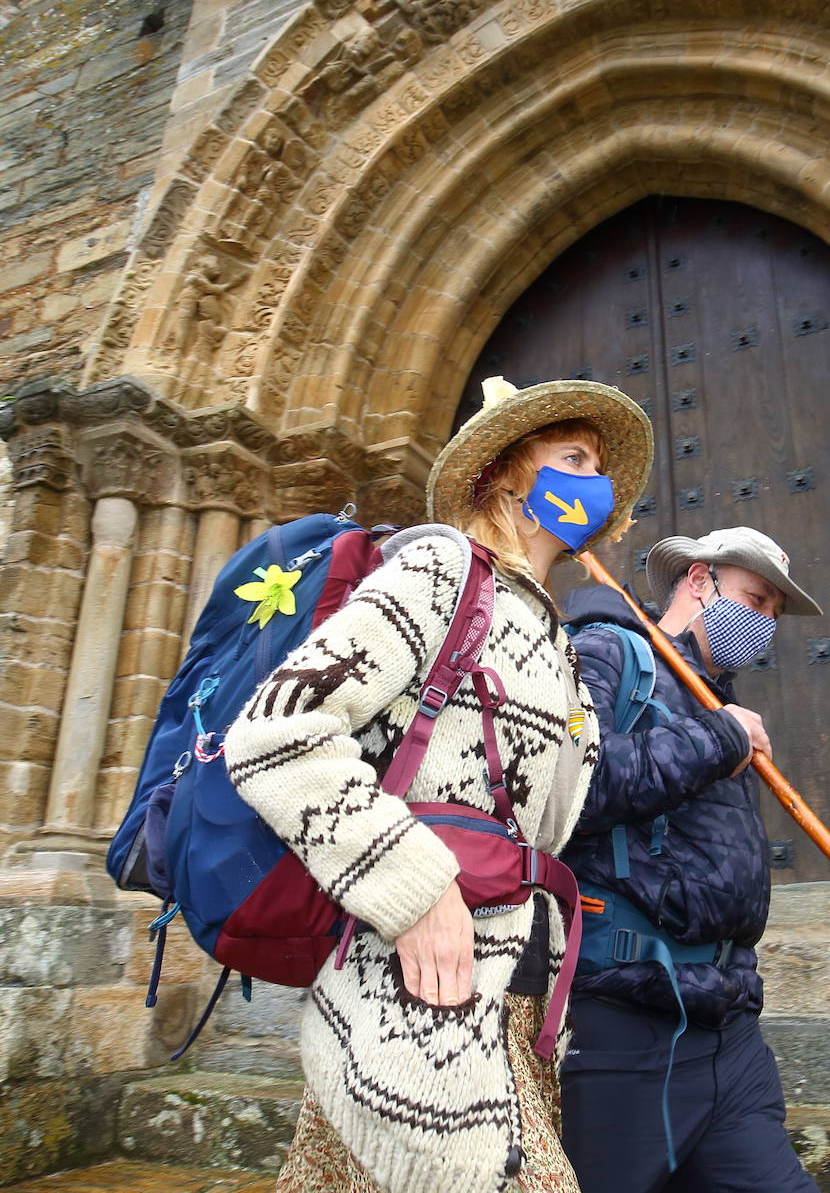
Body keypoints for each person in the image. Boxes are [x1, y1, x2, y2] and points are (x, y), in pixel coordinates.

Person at [223, 376, 652, 1192]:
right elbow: (277, 731)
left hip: (507, 996)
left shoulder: (550, 632)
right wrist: (413, 891)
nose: (594, 485)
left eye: (597, 468)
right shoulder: (440, 574)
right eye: (572, 458)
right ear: (508, 475)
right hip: (414, 990)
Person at [558, 527, 823, 1193]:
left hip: (727, 1029)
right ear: (699, 580)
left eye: (773, 613)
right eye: (754, 598)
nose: (763, 623)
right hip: (624, 1022)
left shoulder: (719, 700)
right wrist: (717, 738)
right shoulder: (608, 654)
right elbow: (576, 787)